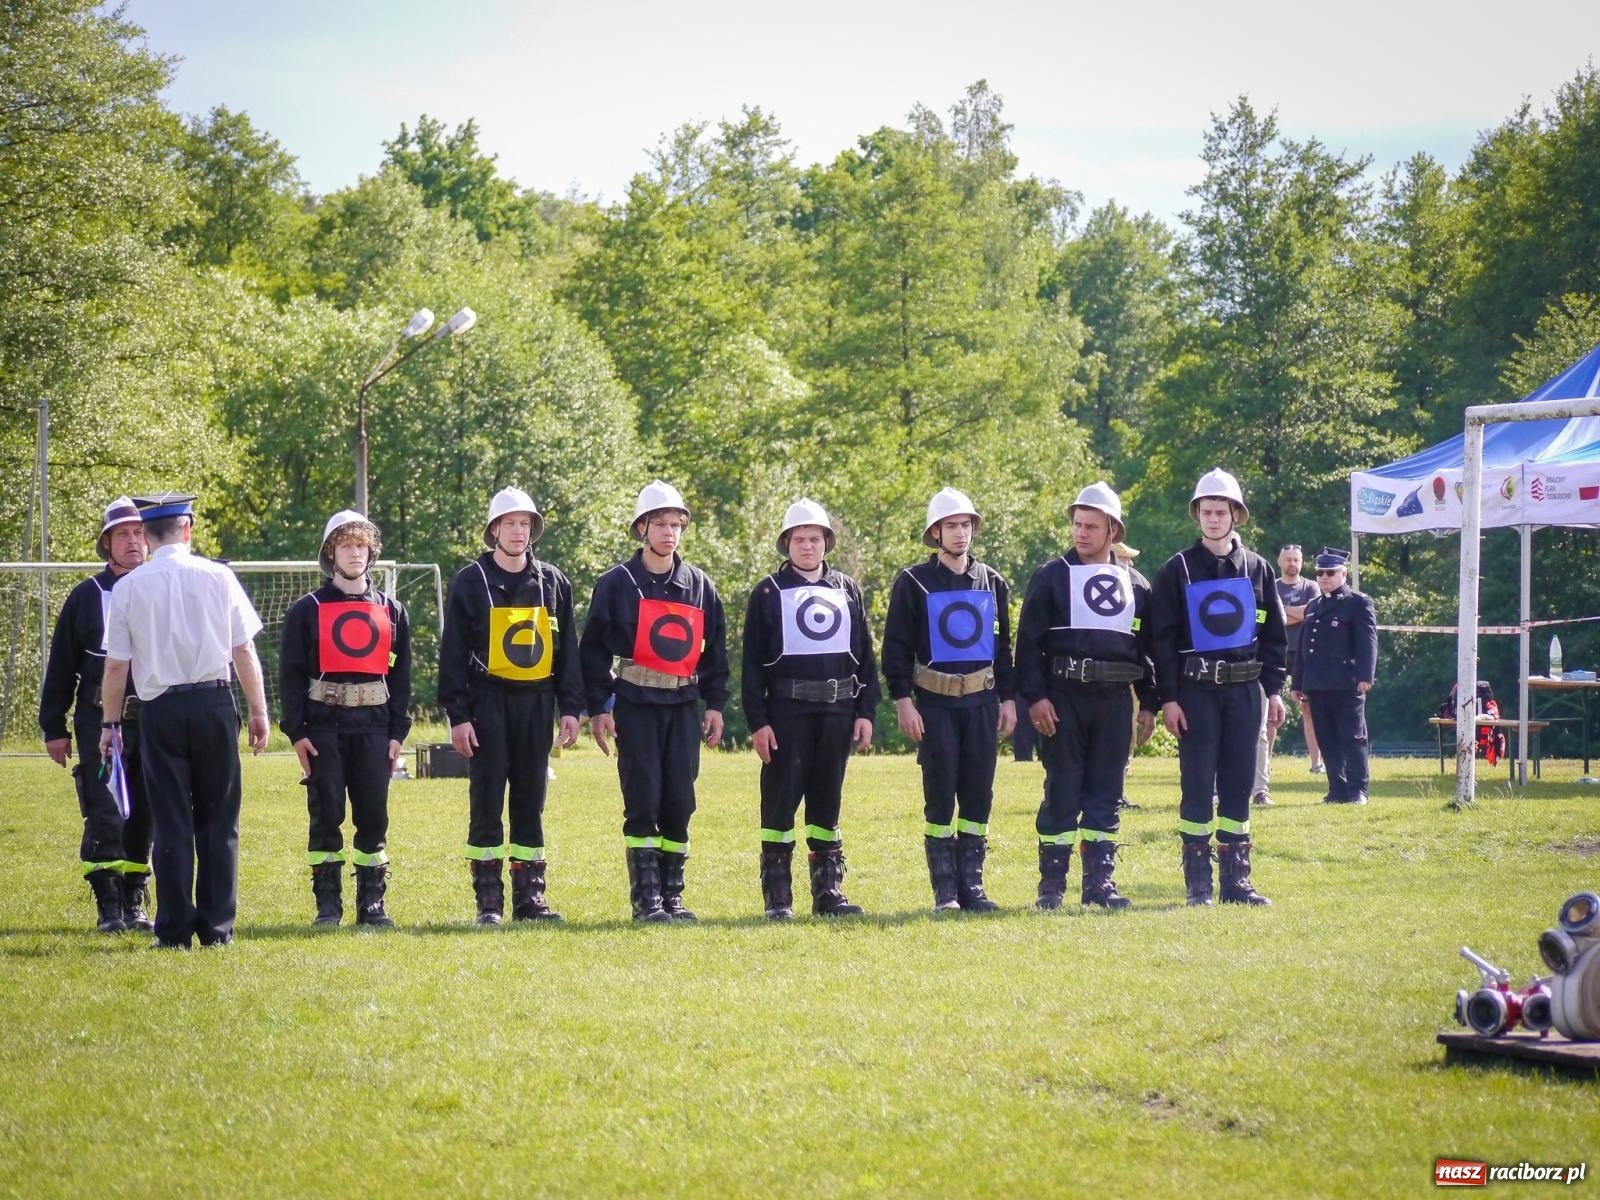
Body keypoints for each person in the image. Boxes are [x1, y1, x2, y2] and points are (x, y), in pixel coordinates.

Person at [99, 492, 269, 949]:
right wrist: (259, 710)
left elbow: (116, 666)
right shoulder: (219, 576)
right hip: (214, 704)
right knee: (219, 819)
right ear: (188, 527)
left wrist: (109, 725)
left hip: (160, 711)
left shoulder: (129, 587)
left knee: (171, 821)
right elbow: (243, 650)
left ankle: (173, 931)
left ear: (148, 537)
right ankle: (217, 929)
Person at [580, 481, 729, 922]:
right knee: (643, 797)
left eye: (676, 524)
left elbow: (715, 652)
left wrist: (715, 704)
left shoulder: (700, 585)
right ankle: (647, 900)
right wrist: (600, 706)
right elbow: (592, 652)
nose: (669, 532)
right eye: (660, 524)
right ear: (642, 528)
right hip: (635, 705)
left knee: (680, 800)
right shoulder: (616, 584)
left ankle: (673, 896)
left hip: (683, 706)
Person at [439, 488, 583, 925]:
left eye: (525, 523)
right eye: (510, 524)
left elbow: (568, 652)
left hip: (537, 703)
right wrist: (458, 715)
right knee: (486, 799)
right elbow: (452, 654)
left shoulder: (554, 582)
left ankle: (530, 899)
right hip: (488, 702)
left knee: (530, 798)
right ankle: (488, 903)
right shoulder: (470, 582)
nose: (518, 531)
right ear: (494, 530)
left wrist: (572, 708)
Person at [1016, 483, 1157, 910]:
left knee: (1106, 791)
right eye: (1077, 524)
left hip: (1115, 700)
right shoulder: (1051, 576)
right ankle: (1051, 887)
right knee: (1062, 789)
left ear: (1113, 530)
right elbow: (1027, 645)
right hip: (1062, 700)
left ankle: (1100, 884)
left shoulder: (1137, 585)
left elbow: (1149, 649)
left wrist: (1149, 702)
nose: (1082, 533)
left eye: (1092, 526)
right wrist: (1036, 698)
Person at [1149, 468, 1287, 907]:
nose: (1212, 519)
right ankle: (1198, 884)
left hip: (1245, 692)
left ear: (1236, 515)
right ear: (1197, 515)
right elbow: (1162, 641)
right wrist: (1168, 698)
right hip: (1196, 692)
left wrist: (1274, 690)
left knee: (1238, 781)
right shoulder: (1177, 570)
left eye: (1220, 511)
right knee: (1196, 783)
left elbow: (1274, 638)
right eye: (1206, 512)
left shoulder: (1259, 569)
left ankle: (1237, 881)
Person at [743, 499, 879, 919]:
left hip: (837, 710)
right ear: (787, 543)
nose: (807, 546)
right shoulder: (767, 591)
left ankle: (829, 893)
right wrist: (758, 723)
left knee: (827, 803)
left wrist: (865, 711)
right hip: (787, 712)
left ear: (826, 543)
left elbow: (865, 656)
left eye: (814, 538)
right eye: (799, 539)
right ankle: (778, 899)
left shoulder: (847, 589)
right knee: (780, 804)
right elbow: (750, 665)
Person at [882, 488, 1016, 913]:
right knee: (940, 792)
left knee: (978, 793)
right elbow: (897, 647)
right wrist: (903, 700)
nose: (960, 534)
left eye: (966, 525)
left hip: (982, 702)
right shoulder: (913, 582)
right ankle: (945, 891)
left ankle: (972, 887)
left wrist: (1009, 699)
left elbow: (1005, 649)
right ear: (935, 532)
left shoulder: (993, 581)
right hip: (935, 704)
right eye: (952, 526)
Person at [279, 511, 412, 927]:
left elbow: (402, 675)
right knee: (326, 812)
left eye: (361, 545)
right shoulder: (307, 609)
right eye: (345, 545)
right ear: (330, 553)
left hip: (374, 726)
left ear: (372, 553)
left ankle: (372, 905)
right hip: (324, 726)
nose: (355, 553)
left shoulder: (392, 610)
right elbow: (291, 673)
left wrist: (397, 732)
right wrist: (297, 731)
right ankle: (327, 905)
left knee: (373, 813)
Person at [38, 497, 153, 933]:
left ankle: (135, 899)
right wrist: (54, 727)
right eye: (122, 534)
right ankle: (108, 904)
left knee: (146, 810)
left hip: (153, 720)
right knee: (106, 807)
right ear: (106, 543)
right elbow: (62, 666)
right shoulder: (86, 597)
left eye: (139, 533)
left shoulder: (159, 590)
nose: (132, 542)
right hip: (98, 721)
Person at [1292, 548, 1377, 805]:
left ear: (1343, 573)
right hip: (1317, 683)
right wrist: (1298, 682)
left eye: (1330, 572)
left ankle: (1357, 790)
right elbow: (1304, 647)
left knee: (1352, 737)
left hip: (1346, 681)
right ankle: (1336, 790)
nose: (1324, 577)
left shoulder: (1357, 602)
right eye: (1320, 572)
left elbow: (1368, 642)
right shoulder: (1314, 605)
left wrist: (1365, 675)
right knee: (1326, 738)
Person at [1252, 544, 1321, 804]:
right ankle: (1265, 764)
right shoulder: (1272, 584)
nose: (1293, 563)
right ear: (1279, 561)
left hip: (1304, 654)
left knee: (1308, 708)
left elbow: (1307, 613)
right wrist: (1293, 614)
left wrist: (1284, 612)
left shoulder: (1311, 587)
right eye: (1288, 559)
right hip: (1276, 655)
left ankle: (1316, 763)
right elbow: (1275, 618)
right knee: (1270, 712)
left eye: (1297, 559)